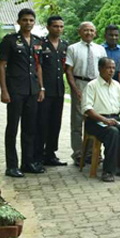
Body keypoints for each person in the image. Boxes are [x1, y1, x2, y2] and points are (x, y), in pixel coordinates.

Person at [0, 8, 44, 177]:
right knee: (12, 128)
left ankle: (27, 163)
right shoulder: (9, 40)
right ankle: (11, 166)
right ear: (18, 22)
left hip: (32, 91)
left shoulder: (37, 41)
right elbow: (2, 66)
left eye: (31, 20)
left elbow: (38, 66)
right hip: (15, 90)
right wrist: (4, 90)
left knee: (30, 129)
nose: (28, 23)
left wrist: (41, 88)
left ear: (34, 22)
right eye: (25, 20)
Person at [82, 58, 120, 182]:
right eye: (108, 68)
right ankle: (108, 171)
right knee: (113, 132)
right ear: (100, 68)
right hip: (95, 121)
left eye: (113, 68)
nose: (111, 70)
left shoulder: (116, 85)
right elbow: (87, 109)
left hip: (114, 119)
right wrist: (104, 120)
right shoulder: (92, 85)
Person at [65, 21, 107, 165]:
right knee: (77, 122)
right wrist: (75, 89)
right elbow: (68, 71)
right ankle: (78, 153)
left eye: (91, 30)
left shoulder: (100, 49)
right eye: (85, 30)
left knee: (95, 120)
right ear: (80, 32)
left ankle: (92, 153)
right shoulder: (72, 48)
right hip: (80, 83)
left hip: (96, 86)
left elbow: (104, 69)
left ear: (95, 33)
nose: (88, 33)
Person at [36, 15, 69, 167]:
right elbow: (38, 66)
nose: (59, 29)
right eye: (55, 26)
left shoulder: (64, 46)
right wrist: (41, 87)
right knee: (42, 123)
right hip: (45, 91)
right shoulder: (40, 44)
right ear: (48, 27)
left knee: (55, 123)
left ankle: (50, 154)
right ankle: (38, 155)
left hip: (59, 90)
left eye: (61, 26)